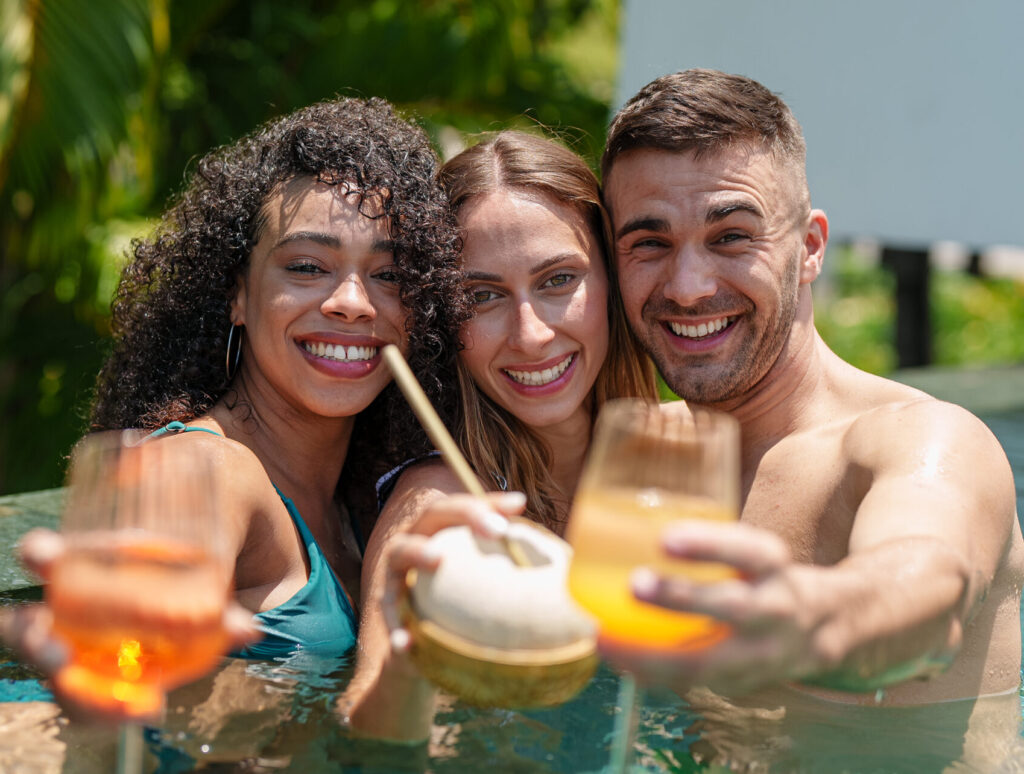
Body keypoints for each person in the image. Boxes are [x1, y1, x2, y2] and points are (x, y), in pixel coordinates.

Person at [595, 68, 1023, 767]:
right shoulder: (640, 451)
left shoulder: (923, 439)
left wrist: (816, 621)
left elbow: (925, 583)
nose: (689, 286)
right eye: (650, 243)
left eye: (731, 236)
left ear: (811, 248)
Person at [4, 95, 469, 727]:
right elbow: (152, 598)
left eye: (389, 276)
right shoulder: (204, 465)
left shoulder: (357, 506)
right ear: (237, 297)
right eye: (307, 267)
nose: (354, 303)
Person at [340, 129, 658, 741]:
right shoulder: (441, 510)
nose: (530, 334)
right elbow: (366, 732)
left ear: (613, 285)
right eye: (482, 296)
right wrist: (406, 669)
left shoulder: (675, 463)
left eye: (559, 280)